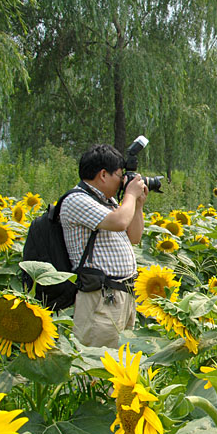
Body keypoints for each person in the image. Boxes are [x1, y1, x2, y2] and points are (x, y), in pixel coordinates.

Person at [60, 144, 148, 348]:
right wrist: (130, 195)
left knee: (120, 362)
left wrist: (138, 204)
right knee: (97, 361)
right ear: (103, 175)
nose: (122, 181)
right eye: (119, 175)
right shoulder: (77, 199)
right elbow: (120, 222)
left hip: (122, 295)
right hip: (100, 299)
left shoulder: (107, 202)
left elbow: (134, 237)